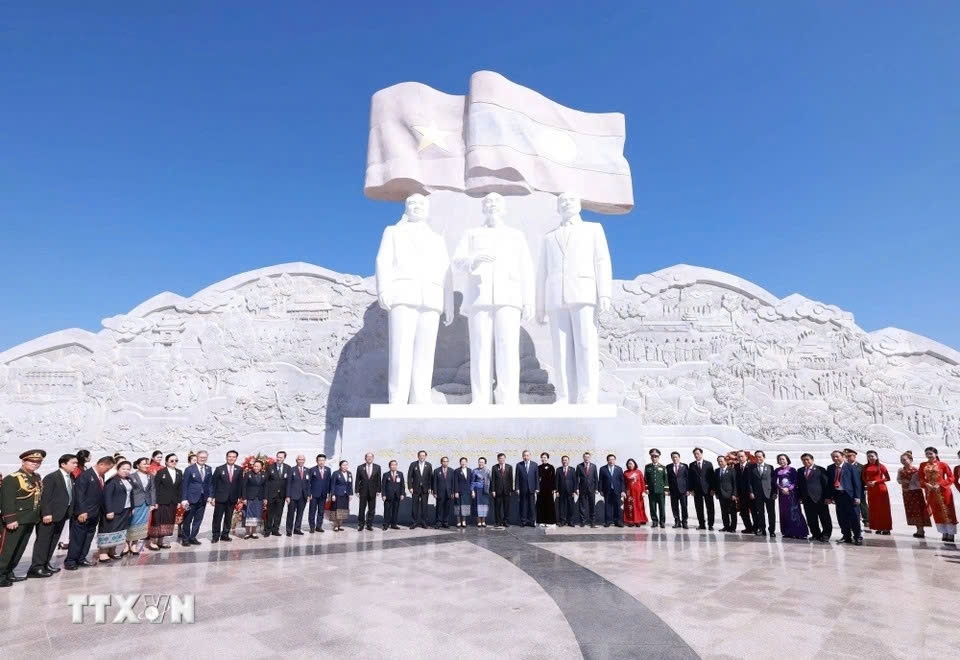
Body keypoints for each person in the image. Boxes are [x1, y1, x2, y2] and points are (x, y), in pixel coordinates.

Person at [0, 450, 45, 587]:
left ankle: (9, 572)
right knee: (7, 550)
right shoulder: (12, 479)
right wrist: (10, 519)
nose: (35, 464)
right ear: (23, 461)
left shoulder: (36, 477)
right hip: (16, 520)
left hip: (30, 519)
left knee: (19, 549)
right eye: (32, 461)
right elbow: (7, 501)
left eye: (38, 462)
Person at [29, 453, 76, 577]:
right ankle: (37, 567)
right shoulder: (52, 477)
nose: (75, 465)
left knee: (53, 541)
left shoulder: (70, 477)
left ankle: (46, 563)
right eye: (73, 463)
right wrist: (46, 513)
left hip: (61, 515)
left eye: (76, 463)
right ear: (63, 464)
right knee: (43, 542)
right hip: (50, 515)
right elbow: (46, 497)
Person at [64, 455, 114, 570]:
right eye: (108, 468)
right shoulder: (85, 476)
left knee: (88, 538)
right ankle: (71, 561)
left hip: (95, 514)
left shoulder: (101, 476)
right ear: (101, 464)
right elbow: (79, 494)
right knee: (77, 538)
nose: (108, 471)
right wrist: (81, 511)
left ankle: (81, 558)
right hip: (84, 514)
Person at [918, 446, 956, 543]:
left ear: (936, 454)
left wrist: (940, 484)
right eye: (927, 454)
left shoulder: (943, 464)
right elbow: (920, 477)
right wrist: (926, 484)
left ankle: (951, 533)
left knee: (948, 511)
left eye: (931, 453)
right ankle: (944, 532)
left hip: (943, 491)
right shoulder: (922, 465)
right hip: (931, 492)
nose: (929, 455)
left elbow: (951, 477)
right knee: (937, 512)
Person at [825, 450, 863, 546]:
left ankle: (858, 537)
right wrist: (829, 496)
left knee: (854, 517)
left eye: (837, 456)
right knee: (842, 518)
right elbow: (829, 483)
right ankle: (846, 536)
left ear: (843, 457)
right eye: (833, 457)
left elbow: (857, 483)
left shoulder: (851, 467)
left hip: (850, 496)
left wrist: (857, 497)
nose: (835, 458)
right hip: (838, 496)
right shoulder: (830, 468)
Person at [98, 461, 133, 561]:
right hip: (114, 510)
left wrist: (132, 507)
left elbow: (131, 495)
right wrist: (109, 510)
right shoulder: (112, 481)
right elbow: (107, 497)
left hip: (125, 509)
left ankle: (112, 551)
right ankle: (103, 553)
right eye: (123, 469)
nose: (126, 471)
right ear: (118, 469)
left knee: (119, 531)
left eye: (128, 469)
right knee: (108, 530)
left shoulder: (129, 480)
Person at [148, 454, 181, 550]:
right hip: (160, 501)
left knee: (167, 521)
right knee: (157, 521)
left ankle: (161, 541)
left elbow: (180, 488)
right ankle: (152, 542)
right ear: (166, 462)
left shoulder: (179, 472)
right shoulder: (161, 472)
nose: (174, 462)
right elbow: (155, 488)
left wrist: (179, 501)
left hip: (173, 502)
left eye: (176, 460)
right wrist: (154, 502)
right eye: (172, 460)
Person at [797, 453, 832, 542]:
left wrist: (828, 497)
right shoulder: (800, 470)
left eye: (807, 459)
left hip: (820, 498)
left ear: (812, 460)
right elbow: (800, 485)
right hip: (807, 499)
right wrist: (800, 496)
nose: (806, 461)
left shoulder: (820, 469)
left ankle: (826, 534)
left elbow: (826, 484)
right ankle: (816, 534)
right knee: (811, 518)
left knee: (824, 518)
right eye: (803, 460)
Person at [179, 450, 212, 546]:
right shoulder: (189, 469)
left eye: (204, 457)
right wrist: (184, 499)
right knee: (187, 520)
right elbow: (185, 485)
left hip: (203, 498)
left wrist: (210, 496)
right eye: (201, 457)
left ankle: (193, 537)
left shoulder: (208, 469)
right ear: (197, 457)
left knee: (198, 520)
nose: (202, 459)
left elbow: (210, 484)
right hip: (191, 499)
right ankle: (185, 538)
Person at [774, 454, 808, 540]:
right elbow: (775, 482)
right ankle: (787, 532)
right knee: (784, 512)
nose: (782, 461)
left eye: (783, 459)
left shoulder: (792, 470)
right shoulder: (777, 470)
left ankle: (799, 532)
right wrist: (781, 489)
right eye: (780, 459)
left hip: (792, 494)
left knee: (794, 512)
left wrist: (789, 488)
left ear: (787, 460)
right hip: (782, 494)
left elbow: (796, 481)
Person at [896, 451, 930, 538]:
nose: (903, 461)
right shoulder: (900, 470)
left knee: (918, 511)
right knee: (911, 511)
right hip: (906, 493)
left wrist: (912, 482)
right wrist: (902, 481)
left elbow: (921, 482)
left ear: (910, 460)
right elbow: (898, 480)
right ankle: (918, 529)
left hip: (915, 492)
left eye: (904, 459)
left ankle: (921, 530)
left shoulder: (916, 470)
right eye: (901, 460)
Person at [126, 457, 157, 554]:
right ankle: (126, 544)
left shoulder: (150, 476)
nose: (147, 466)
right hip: (134, 503)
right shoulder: (131, 476)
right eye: (144, 464)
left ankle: (134, 545)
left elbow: (152, 489)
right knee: (131, 523)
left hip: (145, 503)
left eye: (148, 464)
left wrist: (153, 503)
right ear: (138, 465)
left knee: (141, 524)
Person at [212, 450, 243, 542]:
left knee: (228, 518)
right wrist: (213, 497)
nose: (231, 458)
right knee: (217, 518)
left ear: (236, 458)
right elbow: (213, 484)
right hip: (220, 498)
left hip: (232, 498)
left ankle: (225, 534)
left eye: (233, 457)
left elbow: (240, 484)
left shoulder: (239, 469)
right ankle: (215, 536)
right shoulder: (219, 469)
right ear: (226, 457)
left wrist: (240, 497)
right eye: (229, 456)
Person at [862, 450, 892, 535]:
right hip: (871, 489)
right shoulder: (865, 467)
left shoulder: (881, 466)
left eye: (872, 456)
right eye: (869, 456)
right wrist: (867, 482)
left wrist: (876, 481)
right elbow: (863, 477)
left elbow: (887, 478)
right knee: (874, 508)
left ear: (876, 457)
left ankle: (886, 528)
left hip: (880, 489)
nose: (870, 458)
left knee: (883, 508)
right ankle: (878, 527)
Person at [748, 450, 777, 537]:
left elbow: (773, 481)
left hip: (769, 493)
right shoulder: (751, 467)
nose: (758, 458)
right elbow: (750, 481)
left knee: (771, 513)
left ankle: (772, 530)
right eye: (756, 457)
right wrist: (751, 492)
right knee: (760, 513)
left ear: (764, 457)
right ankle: (762, 529)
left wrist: (775, 492)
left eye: (760, 457)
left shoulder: (770, 467)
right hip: (757, 494)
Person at [689, 448, 716, 531]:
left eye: (697, 453)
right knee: (699, 508)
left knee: (710, 508)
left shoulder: (708, 464)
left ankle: (710, 524)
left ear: (701, 454)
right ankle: (701, 524)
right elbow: (690, 478)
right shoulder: (692, 465)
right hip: (697, 490)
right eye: (695, 454)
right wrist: (691, 489)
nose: (696, 455)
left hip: (708, 490)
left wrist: (713, 489)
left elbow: (712, 477)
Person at [264, 451, 289, 537]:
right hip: (271, 495)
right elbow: (266, 483)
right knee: (269, 513)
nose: (279, 459)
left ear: (284, 458)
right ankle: (267, 530)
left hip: (281, 495)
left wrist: (288, 495)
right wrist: (265, 497)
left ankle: (275, 530)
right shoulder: (270, 467)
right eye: (278, 457)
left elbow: (288, 483)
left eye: (281, 457)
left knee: (278, 513)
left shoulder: (287, 468)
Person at [355, 452, 381, 532]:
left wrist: (378, 490)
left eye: (371, 457)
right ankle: (361, 524)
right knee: (362, 508)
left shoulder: (377, 467)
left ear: (373, 458)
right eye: (368, 457)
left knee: (372, 509)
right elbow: (357, 480)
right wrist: (357, 490)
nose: (369, 458)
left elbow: (378, 480)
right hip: (363, 491)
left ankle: (369, 525)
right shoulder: (360, 467)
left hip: (373, 491)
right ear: (365, 458)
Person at [285, 454, 311, 536]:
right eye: (299, 459)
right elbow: (288, 483)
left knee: (300, 514)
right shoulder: (292, 469)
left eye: (302, 459)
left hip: (303, 496)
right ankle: (289, 530)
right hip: (293, 496)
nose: (301, 461)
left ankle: (297, 529)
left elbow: (309, 484)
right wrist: (287, 496)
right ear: (296, 460)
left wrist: (308, 495)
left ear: (304, 461)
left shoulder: (307, 470)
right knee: (291, 514)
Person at [407, 450, 432, 529]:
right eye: (420, 455)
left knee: (424, 506)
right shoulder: (413, 464)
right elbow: (409, 476)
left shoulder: (428, 465)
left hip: (425, 489)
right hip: (415, 488)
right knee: (415, 506)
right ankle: (414, 522)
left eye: (423, 455)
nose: (422, 457)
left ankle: (424, 523)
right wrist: (410, 487)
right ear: (418, 456)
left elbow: (430, 478)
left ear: (425, 456)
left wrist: (430, 488)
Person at [242, 460, 267, 538]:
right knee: (249, 515)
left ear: (261, 467)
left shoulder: (264, 475)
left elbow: (265, 487)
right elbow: (244, 487)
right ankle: (247, 532)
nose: (256, 468)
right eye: (255, 466)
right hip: (250, 498)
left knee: (257, 514)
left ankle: (254, 532)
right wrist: (244, 498)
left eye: (257, 466)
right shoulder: (248, 474)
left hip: (259, 498)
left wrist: (265, 498)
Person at [308, 454, 332, 533]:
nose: (321, 462)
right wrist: (309, 493)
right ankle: (312, 527)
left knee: (321, 511)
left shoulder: (328, 470)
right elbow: (308, 483)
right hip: (314, 494)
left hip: (323, 494)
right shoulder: (312, 470)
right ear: (317, 461)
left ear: (325, 461)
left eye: (323, 460)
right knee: (312, 511)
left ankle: (319, 526)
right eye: (320, 460)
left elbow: (329, 482)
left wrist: (329, 493)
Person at [644, 449, 668, 529]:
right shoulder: (647, 467)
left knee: (662, 507)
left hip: (660, 491)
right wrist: (646, 488)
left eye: (656, 456)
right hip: (651, 491)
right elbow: (645, 479)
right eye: (653, 456)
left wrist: (666, 490)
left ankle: (662, 522)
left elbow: (665, 479)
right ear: (651, 457)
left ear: (658, 457)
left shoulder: (663, 467)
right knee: (652, 507)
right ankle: (654, 521)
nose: (654, 458)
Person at [599, 454, 625, 527]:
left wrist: (623, 490)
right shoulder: (602, 469)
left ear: (615, 460)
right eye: (610, 459)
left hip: (617, 490)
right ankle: (608, 521)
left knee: (617, 506)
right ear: (607, 460)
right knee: (608, 506)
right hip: (607, 490)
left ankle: (618, 521)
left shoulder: (619, 469)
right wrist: (600, 490)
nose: (611, 461)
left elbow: (622, 481)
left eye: (613, 459)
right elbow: (600, 480)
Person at [515, 450, 539, 527]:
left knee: (532, 506)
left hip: (532, 489)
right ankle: (523, 521)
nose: (526, 457)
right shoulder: (519, 465)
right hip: (523, 489)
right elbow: (517, 478)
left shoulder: (534, 465)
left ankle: (532, 521)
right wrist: (517, 488)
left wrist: (537, 488)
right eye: (524, 455)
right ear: (522, 456)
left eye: (527, 455)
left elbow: (536, 477)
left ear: (530, 456)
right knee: (523, 506)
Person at [666, 451, 689, 529]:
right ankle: (677, 521)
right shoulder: (668, 467)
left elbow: (687, 478)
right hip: (673, 490)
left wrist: (688, 489)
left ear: (679, 457)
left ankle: (684, 522)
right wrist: (668, 489)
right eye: (673, 457)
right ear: (671, 458)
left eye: (676, 457)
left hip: (683, 490)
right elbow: (667, 479)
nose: (675, 458)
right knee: (674, 507)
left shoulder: (684, 466)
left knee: (684, 506)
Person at [714, 455, 737, 532]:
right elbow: (716, 483)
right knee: (724, 512)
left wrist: (734, 494)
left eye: (721, 461)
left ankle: (733, 527)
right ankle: (726, 526)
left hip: (730, 495)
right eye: (718, 461)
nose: (720, 463)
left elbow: (734, 483)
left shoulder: (731, 470)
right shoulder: (717, 471)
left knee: (732, 512)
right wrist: (716, 493)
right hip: (721, 494)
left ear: (726, 461)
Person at [622, 459, 648, 527]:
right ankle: (630, 521)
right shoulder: (625, 473)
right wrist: (623, 491)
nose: (630, 465)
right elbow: (623, 483)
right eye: (629, 464)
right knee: (630, 507)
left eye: (631, 463)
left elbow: (642, 482)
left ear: (634, 464)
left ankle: (638, 520)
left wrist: (644, 491)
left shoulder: (639, 472)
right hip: (629, 493)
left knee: (638, 506)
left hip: (638, 493)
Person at [577, 452, 599, 527]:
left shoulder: (593, 466)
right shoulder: (579, 466)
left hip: (591, 489)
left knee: (592, 506)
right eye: (585, 457)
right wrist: (577, 488)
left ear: (590, 458)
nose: (587, 458)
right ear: (583, 458)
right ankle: (582, 522)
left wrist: (596, 488)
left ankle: (592, 522)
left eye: (588, 457)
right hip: (582, 489)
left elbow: (596, 478)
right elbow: (577, 478)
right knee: (582, 506)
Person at [490, 453, 513, 528]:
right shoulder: (494, 467)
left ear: (505, 459)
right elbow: (493, 479)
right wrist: (493, 490)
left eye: (503, 458)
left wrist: (510, 490)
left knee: (506, 508)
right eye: (500, 458)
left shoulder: (509, 467)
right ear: (498, 459)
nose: (501, 460)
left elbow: (511, 479)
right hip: (497, 491)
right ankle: (498, 522)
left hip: (507, 491)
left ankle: (506, 521)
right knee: (497, 507)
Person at [432, 456, 455, 529]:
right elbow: (434, 482)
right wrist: (434, 492)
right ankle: (438, 522)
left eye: (446, 461)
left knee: (447, 508)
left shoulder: (452, 471)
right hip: (440, 493)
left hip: (449, 492)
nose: (445, 463)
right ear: (441, 462)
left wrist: (453, 492)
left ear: (448, 462)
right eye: (444, 461)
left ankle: (445, 522)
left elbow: (453, 483)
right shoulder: (436, 470)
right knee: (439, 508)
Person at [381, 460, 405, 530]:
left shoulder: (400, 474)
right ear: (389, 466)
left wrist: (402, 494)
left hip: (397, 495)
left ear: (397, 466)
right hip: (388, 496)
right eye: (392, 465)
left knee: (395, 510)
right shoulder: (386, 474)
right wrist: (383, 495)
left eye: (395, 465)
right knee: (387, 510)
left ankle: (394, 524)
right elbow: (383, 485)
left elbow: (402, 485)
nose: (394, 466)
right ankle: (386, 524)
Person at [734, 450, 754, 534]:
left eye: (742, 456)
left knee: (754, 511)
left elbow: (753, 480)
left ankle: (756, 527)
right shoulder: (736, 466)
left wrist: (752, 492)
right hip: (741, 494)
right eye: (739, 456)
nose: (740, 458)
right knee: (743, 512)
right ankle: (748, 528)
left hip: (750, 493)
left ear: (746, 457)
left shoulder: (752, 466)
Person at [330, 460, 353, 532]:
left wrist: (350, 494)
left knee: (343, 510)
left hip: (346, 495)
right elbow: (332, 485)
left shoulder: (349, 473)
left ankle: (340, 525)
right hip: (337, 494)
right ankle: (335, 525)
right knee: (336, 510)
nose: (345, 466)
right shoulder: (336, 473)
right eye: (343, 465)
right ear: (340, 466)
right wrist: (333, 494)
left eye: (346, 465)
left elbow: (350, 485)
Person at [536, 453, 557, 527]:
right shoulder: (538, 467)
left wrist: (554, 489)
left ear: (547, 458)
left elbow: (553, 478)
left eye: (545, 457)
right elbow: (536, 478)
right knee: (541, 505)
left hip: (549, 489)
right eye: (542, 457)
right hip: (541, 489)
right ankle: (541, 521)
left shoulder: (551, 467)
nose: (543, 459)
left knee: (549, 505)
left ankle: (549, 521)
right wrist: (537, 488)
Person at [556, 455, 577, 527]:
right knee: (562, 507)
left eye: (566, 460)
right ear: (561, 461)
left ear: (568, 461)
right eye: (563, 460)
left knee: (571, 507)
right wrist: (557, 491)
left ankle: (570, 521)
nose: (564, 461)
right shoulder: (558, 470)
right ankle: (562, 521)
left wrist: (574, 491)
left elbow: (575, 481)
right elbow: (557, 481)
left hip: (570, 491)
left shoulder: (572, 469)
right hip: (561, 491)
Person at [471, 457, 491, 527]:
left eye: (482, 462)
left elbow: (490, 481)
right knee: (477, 506)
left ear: (485, 463)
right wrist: (472, 491)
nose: (480, 463)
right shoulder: (474, 471)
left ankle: (483, 521)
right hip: (477, 490)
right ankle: (479, 521)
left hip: (485, 490)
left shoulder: (488, 471)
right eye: (479, 462)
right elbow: (472, 482)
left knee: (484, 505)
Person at [454, 457, 473, 528]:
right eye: (462, 462)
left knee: (465, 506)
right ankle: (458, 521)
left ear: (466, 462)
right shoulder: (457, 471)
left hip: (467, 492)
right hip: (459, 492)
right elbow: (455, 482)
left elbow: (471, 481)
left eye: (464, 462)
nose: (463, 463)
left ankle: (464, 521)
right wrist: (456, 491)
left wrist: (472, 491)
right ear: (460, 463)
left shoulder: (469, 470)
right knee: (458, 506)